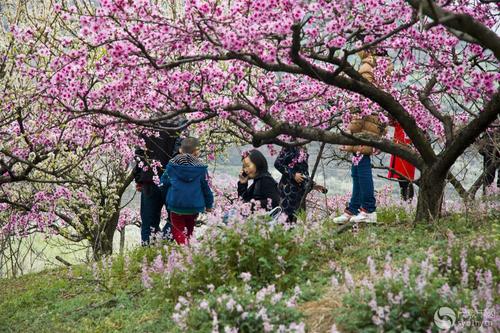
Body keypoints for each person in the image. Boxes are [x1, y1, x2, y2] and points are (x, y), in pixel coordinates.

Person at [334, 50, 380, 224]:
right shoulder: (378, 63)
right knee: (357, 169)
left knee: (361, 168)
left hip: (364, 124)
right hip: (371, 122)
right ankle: (353, 209)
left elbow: (363, 100)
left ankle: (368, 209)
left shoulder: (368, 65)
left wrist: (351, 129)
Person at [160, 137, 214, 245]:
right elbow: (206, 187)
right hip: (193, 207)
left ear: (180, 150)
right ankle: (187, 249)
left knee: (178, 229)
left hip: (176, 205)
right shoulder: (201, 169)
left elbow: (163, 182)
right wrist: (209, 204)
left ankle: (183, 249)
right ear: (196, 152)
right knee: (190, 229)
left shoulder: (172, 166)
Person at [134, 123, 180, 245]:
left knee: (148, 223)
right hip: (171, 181)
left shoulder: (147, 120)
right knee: (175, 219)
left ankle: (148, 257)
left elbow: (139, 153)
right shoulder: (181, 121)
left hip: (149, 180)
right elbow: (180, 153)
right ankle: (165, 245)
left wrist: (139, 178)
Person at [274, 146, 327, 223]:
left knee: (296, 224)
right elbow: (277, 164)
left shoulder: (304, 149)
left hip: (299, 195)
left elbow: (303, 173)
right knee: (285, 222)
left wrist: (313, 185)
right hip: (287, 194)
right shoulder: (289, 145)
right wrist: (293, 174)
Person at [387, 122, 416, 201]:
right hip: (398, 146)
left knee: (405, 178)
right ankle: (405, 200)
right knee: (401, 178)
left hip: (405, 148)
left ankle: (408, 201)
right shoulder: (397, 123)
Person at [478, 128, 499, 194]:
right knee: (488, 177)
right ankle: (487, 197)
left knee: (488, 176)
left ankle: (488, 196)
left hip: (490, 145)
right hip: (490, 146)